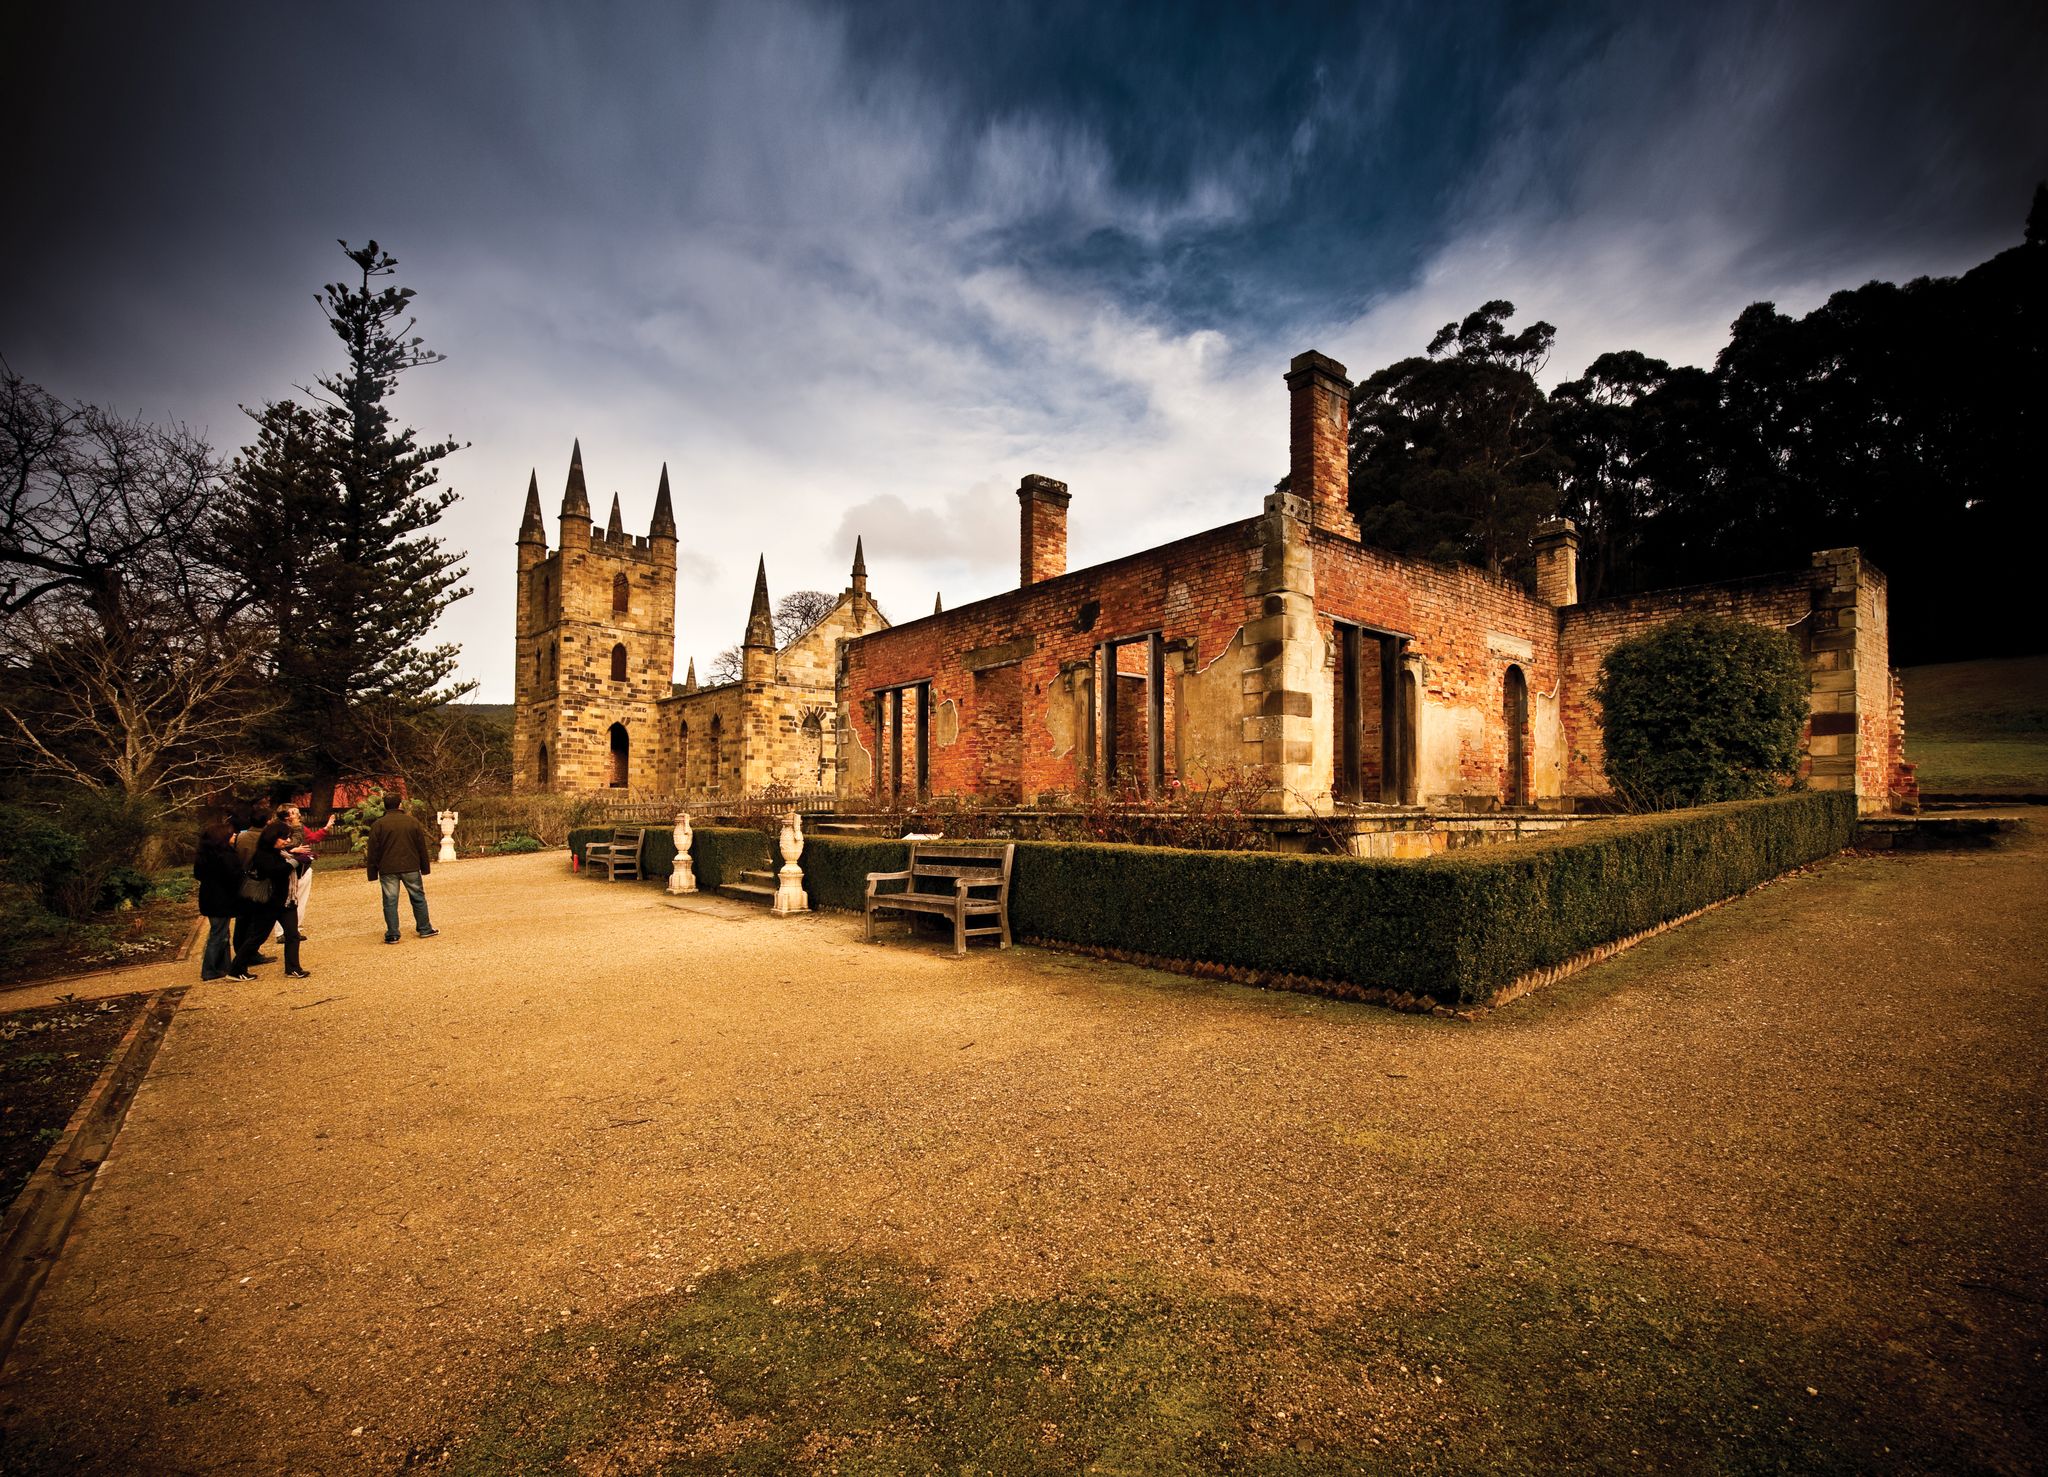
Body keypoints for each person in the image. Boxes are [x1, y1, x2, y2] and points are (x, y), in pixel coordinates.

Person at [226, 821, 309, 980]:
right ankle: (236, 969)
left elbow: (290, 869)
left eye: (288, 838)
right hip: (269, 903)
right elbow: (276, 872)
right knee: (258, 936)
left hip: (286, 901)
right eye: (284, 838)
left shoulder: (281, 852)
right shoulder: (263, 855)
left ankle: (293, 968)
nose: (287, 841)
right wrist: (296, 861)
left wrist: (298, 858)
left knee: (293, 934)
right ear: (273, 837)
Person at [366, 801, 438, 944]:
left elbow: (373, 850)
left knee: (390, 901)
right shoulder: (412, 822)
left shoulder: (378, 824)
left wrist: (372, 872)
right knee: (418, 897)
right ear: (399, 804)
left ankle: (393, 933)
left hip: (388, 868)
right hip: (410, 865)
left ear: (385, 806)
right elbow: (421, 846)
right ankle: (424, 928)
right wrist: (425, 867)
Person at [192, 819, 243, 982]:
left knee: (221, 932)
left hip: (211, 898)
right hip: (221, 900)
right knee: (218, 934)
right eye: (230, 834)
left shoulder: (205, 856)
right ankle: (210, 969)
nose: (234, 835)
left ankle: (223, 965)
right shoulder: (225, 856)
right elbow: (233, 877)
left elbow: (199, 874)